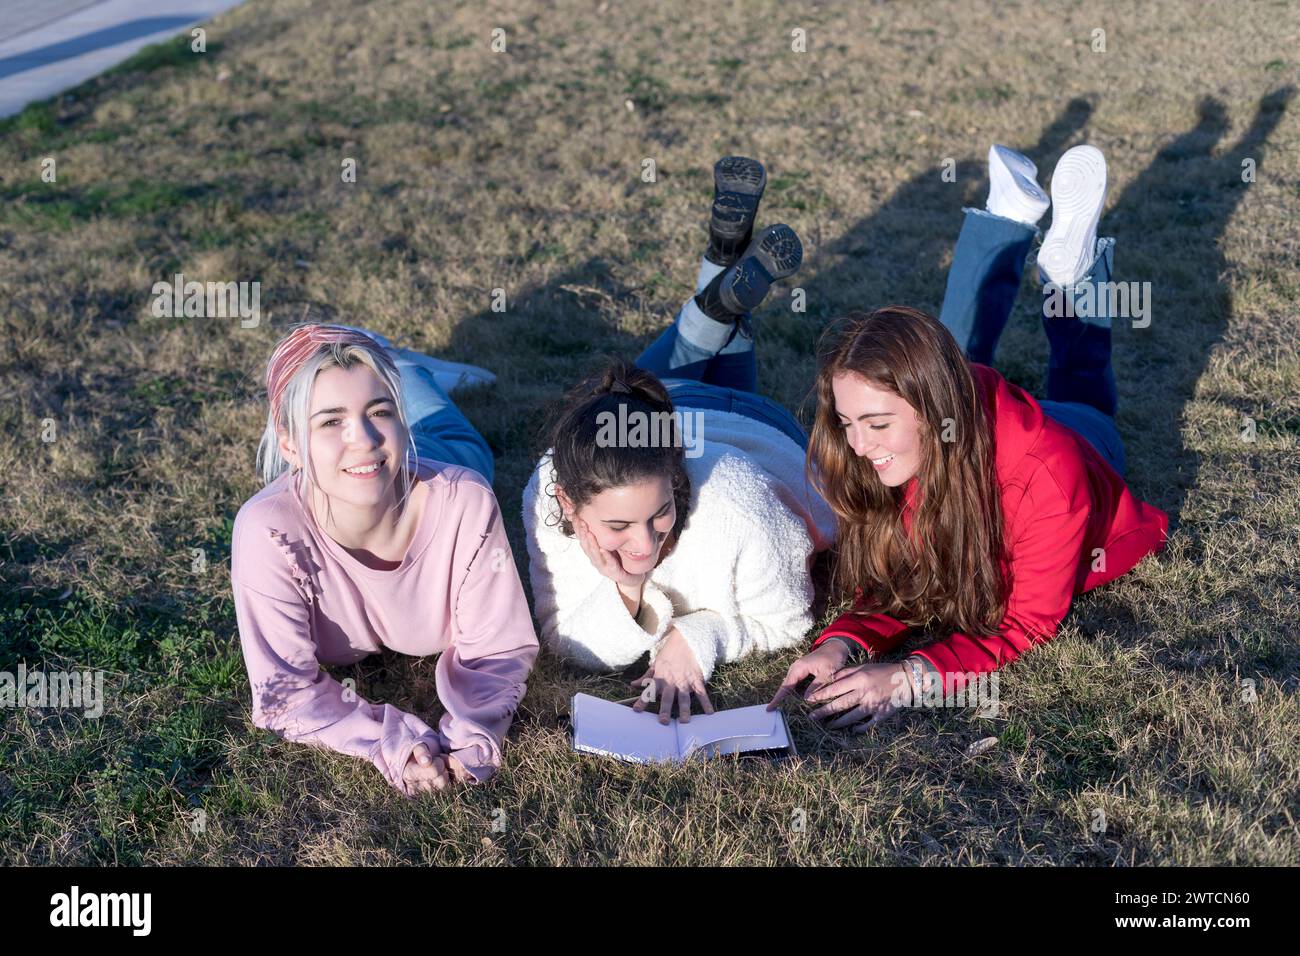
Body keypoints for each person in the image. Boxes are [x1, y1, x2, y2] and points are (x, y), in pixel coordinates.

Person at [769, 144, 1168, 730]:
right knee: (944, 355)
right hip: (966, 411)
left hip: (1081, 440)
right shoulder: (883, 441)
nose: (858, 446)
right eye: (849, 422)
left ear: (931, 413)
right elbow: (894, 581)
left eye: (877, 425)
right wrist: (843, 641)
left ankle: (1067, 273)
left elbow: (1029, 621)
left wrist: (909, 678)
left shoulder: (1048, 475)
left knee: (1083, 390)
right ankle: (1006, 221)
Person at [523, 157, 837, 724]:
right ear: (566, 502)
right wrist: (627, 586)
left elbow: (791, 621)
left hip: (761, 436)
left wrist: (699, 635)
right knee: (650, 385)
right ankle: (715, 293)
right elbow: (564, 637)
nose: (643, 545)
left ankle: (714, 296)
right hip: (676, 409)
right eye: (618, 526)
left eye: (661, 514)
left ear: (675, 478)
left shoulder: (735, 507)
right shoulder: (549, 481)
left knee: (682, 369)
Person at [230, 324, 538, 796]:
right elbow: (282, 695)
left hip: (438, 447)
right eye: (331, 421)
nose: (366, 438)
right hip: (327, 474)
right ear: (290, 444)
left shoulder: (462, 501)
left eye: (380, 411)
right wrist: (390, 744)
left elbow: (498, 648)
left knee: (465, 442)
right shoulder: (267, 532)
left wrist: (470, 741)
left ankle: (408, 372)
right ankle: (396, 370)